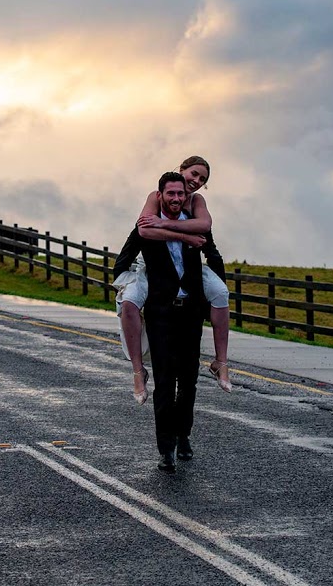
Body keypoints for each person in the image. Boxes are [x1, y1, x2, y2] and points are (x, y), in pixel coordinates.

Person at [112, 156, 231, 405]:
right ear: (182, 170)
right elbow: (144, 230)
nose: (196, 181)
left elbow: (205, 224)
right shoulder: (157, 196)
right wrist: (186, 237)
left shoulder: (197, 201)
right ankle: (137, 370)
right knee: (129, 302)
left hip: (188, 267)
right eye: (194, 174)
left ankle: (221, 362)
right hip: (152, 266)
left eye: (203, 179)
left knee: (221, 293)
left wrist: (164, 224)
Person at [136, 172, 208, 472]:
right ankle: (165, 448)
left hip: (190, 311)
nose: (176, 198)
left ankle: (183, 435)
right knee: (165, 381)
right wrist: (182, 234)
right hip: (161, 312)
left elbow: (206, 233)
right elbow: (141, 234)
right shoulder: (149, 222)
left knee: (188, 380)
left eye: (180, 194)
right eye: (171, 194)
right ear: (160, 195)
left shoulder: (193, 217)